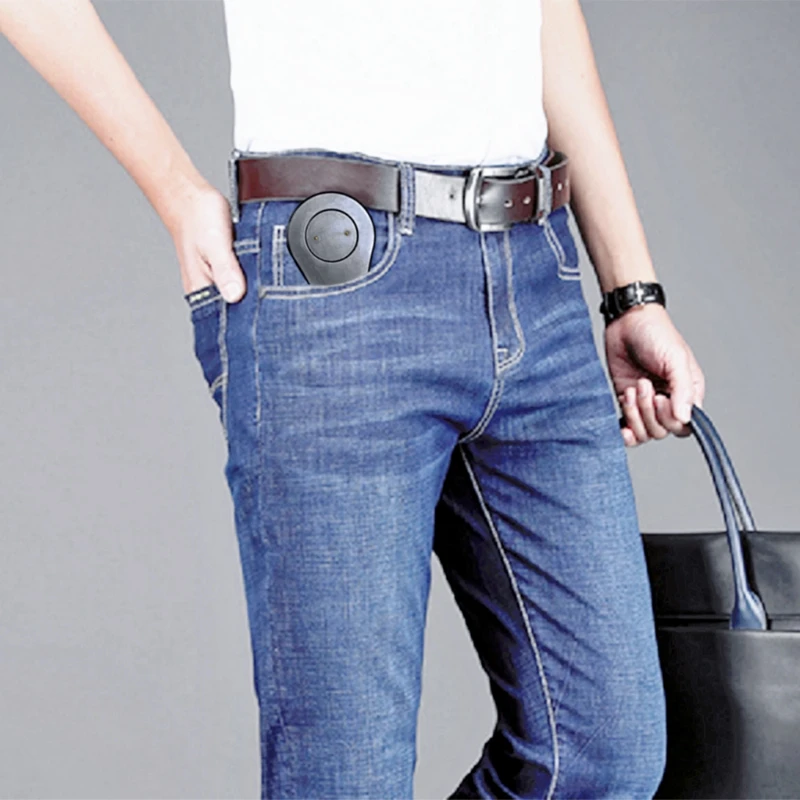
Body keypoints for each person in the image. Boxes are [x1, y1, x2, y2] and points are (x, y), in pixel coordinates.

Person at [1, 0, 705, 797]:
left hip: (536, 273)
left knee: (603, 754)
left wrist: (632, 291)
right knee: (346, 780)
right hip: (337, 280)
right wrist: (176, 192)